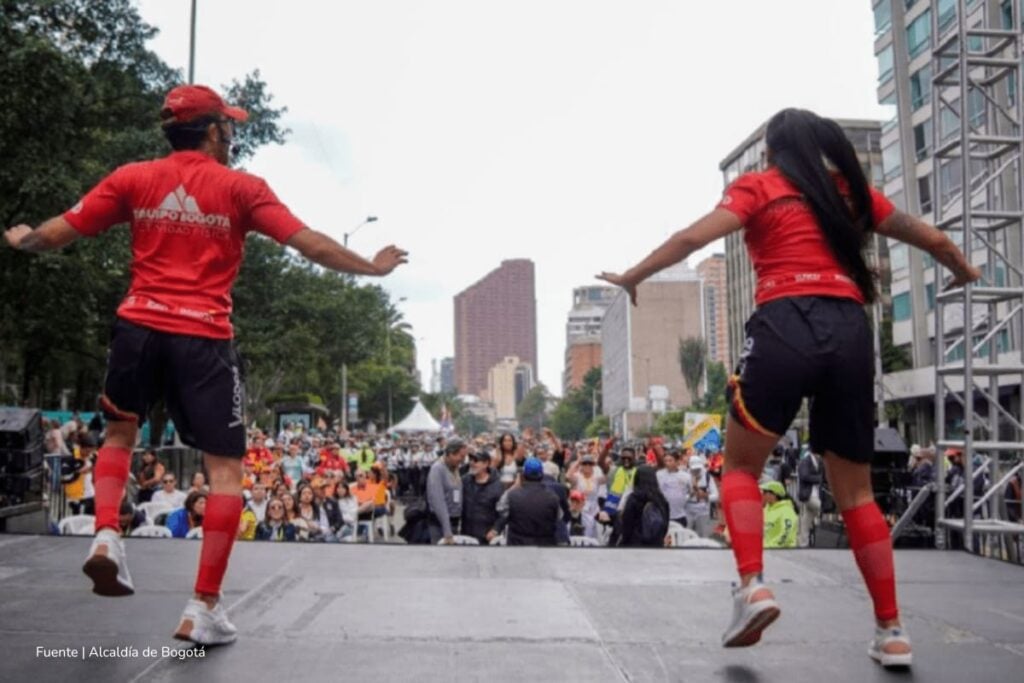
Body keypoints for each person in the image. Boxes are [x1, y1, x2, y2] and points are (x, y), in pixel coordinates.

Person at [4, 83, 408, 644]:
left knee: (119, 434)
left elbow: (57, 232)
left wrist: (24, 240)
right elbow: (310, 243)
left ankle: (105, 538)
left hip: (137, 326)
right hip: (203, 337)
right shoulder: (242, 188)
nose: (234, 135)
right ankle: (203, 607)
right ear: (215, 130)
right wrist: (372, 267)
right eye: (230, 126)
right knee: (224, 472)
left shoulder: (132, 178)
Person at [599, 108, 979, 666]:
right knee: (857, 494)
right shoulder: (850, 193)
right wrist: (962, 270)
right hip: (850, 331)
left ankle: (753, 585)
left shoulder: (761, 185)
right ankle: (891, 630)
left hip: (784, 324)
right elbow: (935, 239)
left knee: (741, 468)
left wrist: (634, 275)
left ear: (774, 153)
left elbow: (689, 237)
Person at [494, 458, 560, 546]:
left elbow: (500, 509)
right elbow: (559, 517)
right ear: (542, 475)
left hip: (518, 546)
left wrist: (514, 486)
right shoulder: (553, 497)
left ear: (523, 475)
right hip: (544, 547)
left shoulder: (512, 495)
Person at [612, 466, 669, 547]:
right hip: (656, 546)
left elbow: (627, 526)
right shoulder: (661, 500)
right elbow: (665, 525)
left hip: (635, 545)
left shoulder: (634, 499)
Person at [426, 439, 467, 544]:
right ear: (450, 454)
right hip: (440, 525)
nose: (463, 460)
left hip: (453, 522)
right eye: (461, 456)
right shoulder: (437, 469)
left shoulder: (455, 468)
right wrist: (447, 531)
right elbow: (438, 502)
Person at [461, 449, 504, 544]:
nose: (472, 463)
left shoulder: (497, 486)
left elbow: (503, 512)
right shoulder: (465, 481)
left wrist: (495, 529)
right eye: (470, 460)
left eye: (476, 460)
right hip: (466, 536)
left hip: (486, 537)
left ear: (486, 464)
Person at [656, 450, 692, 528]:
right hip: (663, 515)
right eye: (665, 461)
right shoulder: (659, 475)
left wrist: (686, 498)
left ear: (677, 461)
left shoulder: (686, 476)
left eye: (670, 460)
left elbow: (691, 492)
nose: (667, 463)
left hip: (680, 515)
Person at [796, 451, 824, 548]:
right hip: (808, 494)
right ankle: (819, 518)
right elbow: (804, 476)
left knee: (806, 520)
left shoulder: (819, 461)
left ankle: (803, 542)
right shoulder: (806, 461)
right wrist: (819, 478)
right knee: (819, 507)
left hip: (815, 493)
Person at [760, 481, 798, 549]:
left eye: (765, 492)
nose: (762, 495)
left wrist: (771, 547)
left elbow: (787, 534)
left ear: (774, 495)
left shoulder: (787, 511)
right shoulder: (766, 509)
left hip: (783, 553)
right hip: (767, 552)